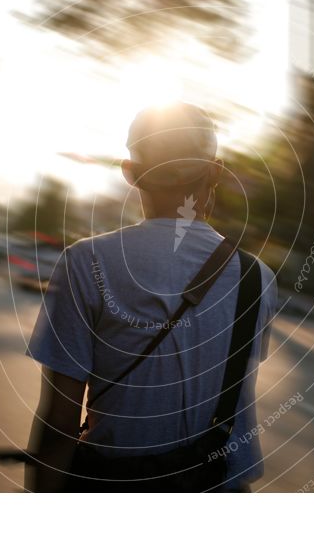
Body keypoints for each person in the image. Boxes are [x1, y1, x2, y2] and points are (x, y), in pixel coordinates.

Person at [25, 102, 277, 492]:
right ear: (215, 172)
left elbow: (60, 420)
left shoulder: (85, 263)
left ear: (131, 174)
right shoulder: (257, 277)